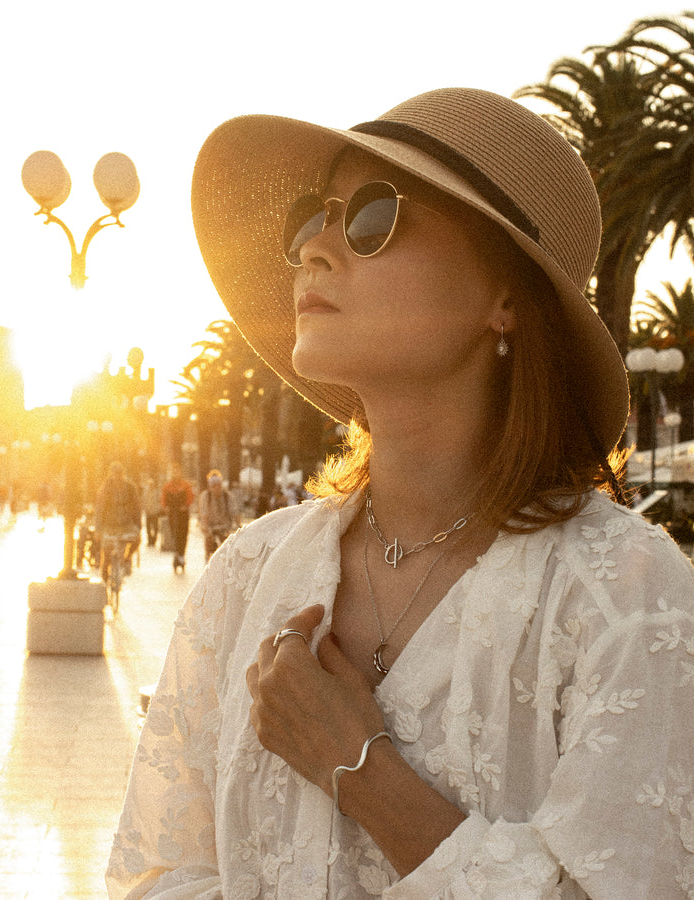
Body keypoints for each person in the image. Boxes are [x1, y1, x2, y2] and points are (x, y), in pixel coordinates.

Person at [106, 88, 694, 898]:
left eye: (373, 217)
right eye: (313, 216)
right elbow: (156, 873)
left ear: (506, 299)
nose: (315, 248)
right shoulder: (244, 576)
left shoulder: (624, 597)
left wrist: (359, 767)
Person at [94, 461, 141, 578]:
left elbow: (137, 506)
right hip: (109, 525)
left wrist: (138, 525)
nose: (117, 476)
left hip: (126, 524)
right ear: (111, 474)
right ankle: (105, 574)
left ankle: (127, 558)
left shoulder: (130, 488)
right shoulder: (105, 489)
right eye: (115, 473)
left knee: (136, 539)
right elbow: (99, 509)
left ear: (123, 474)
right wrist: (98, 529)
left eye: (120, 473)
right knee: (107, 554)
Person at [198, 469, 240, 562]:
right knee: (209, 542)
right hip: (210, 526)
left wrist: (239, 526)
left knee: (226, 545)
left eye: (219, 485)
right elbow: (204, 514)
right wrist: (207, 529)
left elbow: (234, 512)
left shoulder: (227, 496)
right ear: (210, 487)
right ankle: (207, 560)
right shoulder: (205, 496)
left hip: (224, 526)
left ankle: (226, 562)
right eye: (214, 486)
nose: (217, 488)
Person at [161, 462, 194, 573]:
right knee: (174, 533)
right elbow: (163, 498)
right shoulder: (168, 486)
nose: (175, 473)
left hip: (182, 514)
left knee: (183, 533)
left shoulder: (185, 485)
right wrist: (165, 507)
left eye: (177, 471)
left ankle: (181, 554)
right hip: (172, 513)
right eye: (173, 471)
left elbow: (190, 497)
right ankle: (177, 553)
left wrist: (185, 505)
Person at [141, 476, 162, 547]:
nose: (150, 485)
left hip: (155, 512)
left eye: (152, 484)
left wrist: (158, 509)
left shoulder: (157, 492)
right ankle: (149, 540)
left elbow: (160, 501)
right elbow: (144, 500)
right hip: (148, 511)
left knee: (155, 527)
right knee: (148, 527)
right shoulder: (146, 491)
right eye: (149, 484)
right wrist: (145, 508)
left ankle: (154, 540)